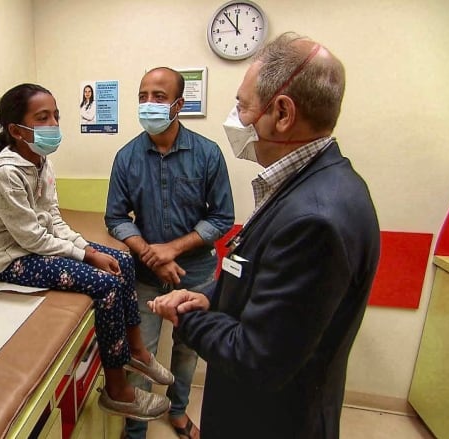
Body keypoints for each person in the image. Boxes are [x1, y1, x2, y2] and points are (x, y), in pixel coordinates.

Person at [149, 33, 381, 438]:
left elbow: (255, 357)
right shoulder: (310, 184)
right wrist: (211, 298)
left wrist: (188, 317)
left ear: (283, 113)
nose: (235, 118)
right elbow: (261, 282)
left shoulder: (316, 220)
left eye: (242, 105)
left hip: (271, 422)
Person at [0, 83, 175, 421]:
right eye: (42, 118)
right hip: (13, 258)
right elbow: (31, 239)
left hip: (37, 246)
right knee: (105, 284)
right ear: (15, 129)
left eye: (55, 116)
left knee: (123, 258)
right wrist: (86, 256)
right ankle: (117, 390)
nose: (53, 124)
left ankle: (136, 351)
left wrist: (83, 247)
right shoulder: (4, 174)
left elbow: (54, 219)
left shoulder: (41, 161)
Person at [105, 67, 234, 439]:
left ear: (178, 104)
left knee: (187, 349)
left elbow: (222, 216)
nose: (149, 104)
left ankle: (178, 412)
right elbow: (115, 216)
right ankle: (136, 429)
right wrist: (150, 254)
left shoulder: (207, 154)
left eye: (158, 97)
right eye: (143, 96)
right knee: (141, 353)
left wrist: (173, 249)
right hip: (145, 275)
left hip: (194, 274)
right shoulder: (127, 157)